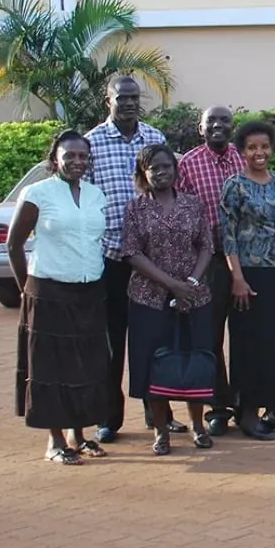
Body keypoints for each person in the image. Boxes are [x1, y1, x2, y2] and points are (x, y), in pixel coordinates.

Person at [85, 74, 179, 443]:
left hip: (153, 262)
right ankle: (110, 418)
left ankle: (159, 414)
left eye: (133, 97)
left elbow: (170, 193)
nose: (128, 103)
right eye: (121, 97)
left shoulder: (155, 139)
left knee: (155, 339)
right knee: (112, 342)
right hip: (111, 258)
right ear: (108, 100)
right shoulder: (92, 143)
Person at [7, 131, 111, 465]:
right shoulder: (38, 193)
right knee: (51, 368)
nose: (77, 162)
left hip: (89, 291)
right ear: (56, 159)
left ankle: (77, 435)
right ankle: (55, 441)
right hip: (48, 291)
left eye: (83, 156)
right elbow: (14, 243)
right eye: (70, 156)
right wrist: (26, 289)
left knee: (86, 366)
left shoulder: (96, 195)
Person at [120, 144, 216, 455]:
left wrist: (190, 283)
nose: (161, 172)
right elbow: (132, 253)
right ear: (143, 174)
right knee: (154, 365)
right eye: (154, 168)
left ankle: (198, 426)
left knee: (195, 362)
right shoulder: (135, 209)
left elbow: (206, 246)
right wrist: (172, 285)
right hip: (149, 300)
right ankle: (161, 432)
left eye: (167, 166)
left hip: (193, 298)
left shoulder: (192, 204)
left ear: (176, 171)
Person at [219, 121, 275, 440]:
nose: (259, 152)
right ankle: (247, 411)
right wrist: (236, 277)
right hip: (247, 274)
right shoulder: (234, 185)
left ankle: (273, 407)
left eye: (264, 146)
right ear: (242, 151)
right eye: (252, 147)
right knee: (248, 343)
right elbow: (228, 235)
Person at [176, 105, 244, 436]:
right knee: (210, 337)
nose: (218, 125)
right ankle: (219, 406)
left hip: (246, 263)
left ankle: (249, 402)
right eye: (211, 122)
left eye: (224, 121)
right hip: (209, 263)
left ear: (233, 126)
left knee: (246, 335)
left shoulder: (245, 157)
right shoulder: (187, 164)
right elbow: (179, 214)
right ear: (200, 128)